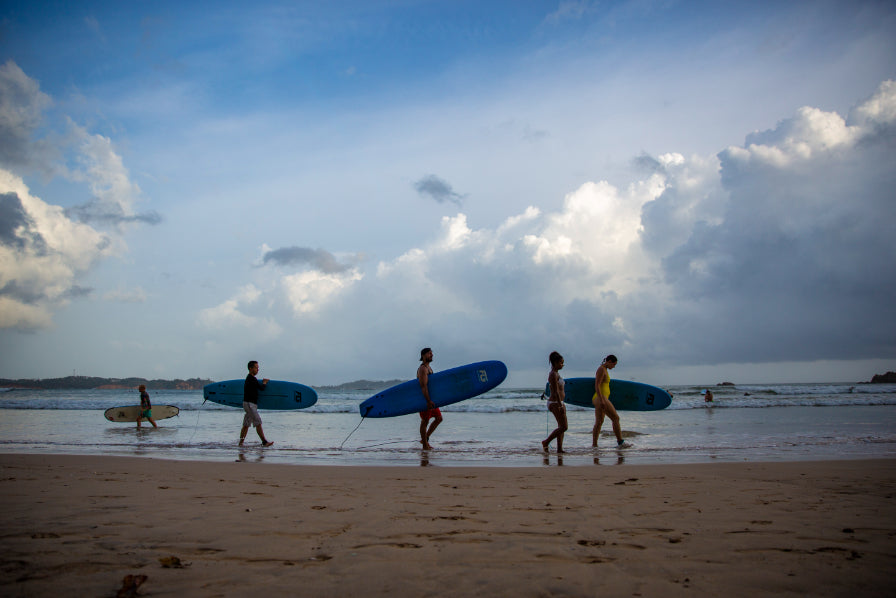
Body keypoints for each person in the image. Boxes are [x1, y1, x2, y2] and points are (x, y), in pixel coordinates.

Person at [592, 354, 630, 448]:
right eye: (613, 364)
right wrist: (602, 400)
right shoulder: (601, 369)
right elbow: (597, 385)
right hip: (601, 398)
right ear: (609, 361)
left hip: (601, 398)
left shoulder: (604, 369)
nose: (614, 367)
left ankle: (594, 445)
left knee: (599, 422)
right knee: (616, 418)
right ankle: (620, 442)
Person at [239, 360, 273, 447]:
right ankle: (264, 442)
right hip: (250, 404)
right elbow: (261, 388)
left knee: (246, 424)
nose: (258, 369)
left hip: (247, 404)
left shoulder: (249, 379)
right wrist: (264, 383)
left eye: (258, 368)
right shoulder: (252, 379)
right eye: (256, 368)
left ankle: (240, 443)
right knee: (258, 422)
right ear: (250, 368)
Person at [542, 351, 568, 453]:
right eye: (561, 363)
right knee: (564, 427)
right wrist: (560, 405)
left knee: (561, 427)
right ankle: (546, 442)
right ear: (555, 362)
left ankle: (559, 449)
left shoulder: (556, 373)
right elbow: (556, 391)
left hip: (559, 402)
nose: (562, 365)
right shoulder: (553, 374)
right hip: (555, 403)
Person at [417, 347, 442, 450]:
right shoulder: (423, 369)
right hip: (424, 399)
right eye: (429, 353)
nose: (431, 355)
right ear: (423, 356)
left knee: (439, 418)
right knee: (425, 421)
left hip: (430, 399)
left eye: (432, 353)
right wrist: (427, 401)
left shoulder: (429, 368)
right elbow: (423, 386)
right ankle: (424, 445)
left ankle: (425, 438)